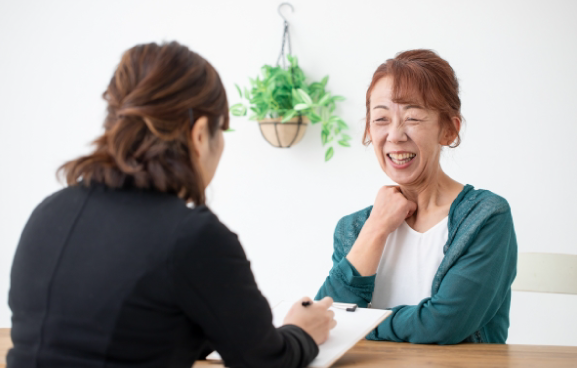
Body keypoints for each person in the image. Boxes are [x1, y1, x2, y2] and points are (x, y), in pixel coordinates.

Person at [8, 41, 335, 368]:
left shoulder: (48, 213)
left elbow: (129, 327)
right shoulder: (192, 237)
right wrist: (301, 331)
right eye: (221, 131)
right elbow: (267, 361)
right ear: (199, 133)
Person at [316, 49, 517, 344]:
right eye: (381, 119)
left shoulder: (486, 217)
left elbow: (443, 325)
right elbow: (325, 322)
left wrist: (359, 325)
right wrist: (376, 229)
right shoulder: (355, 228)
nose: (395, 135)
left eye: (412, 117)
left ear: (449, 130)